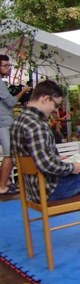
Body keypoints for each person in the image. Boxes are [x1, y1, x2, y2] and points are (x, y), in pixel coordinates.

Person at [10, 80, 80, 249]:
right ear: (45, 99)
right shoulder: (36, 125)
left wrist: (57, 156)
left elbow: (30, 156)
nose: (55, 110)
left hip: (33, 189)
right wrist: (72, 167)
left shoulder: (19, 121)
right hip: (51, 189)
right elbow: (45, 165)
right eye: (56, 105)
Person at [0, 54, 31, 195]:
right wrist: (23, 91)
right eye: (5, 65)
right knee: (10, 154)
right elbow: (11, 102)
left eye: (9, 65)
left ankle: (5, 182)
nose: (8, 68)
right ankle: (2, 187)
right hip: (4, 122)